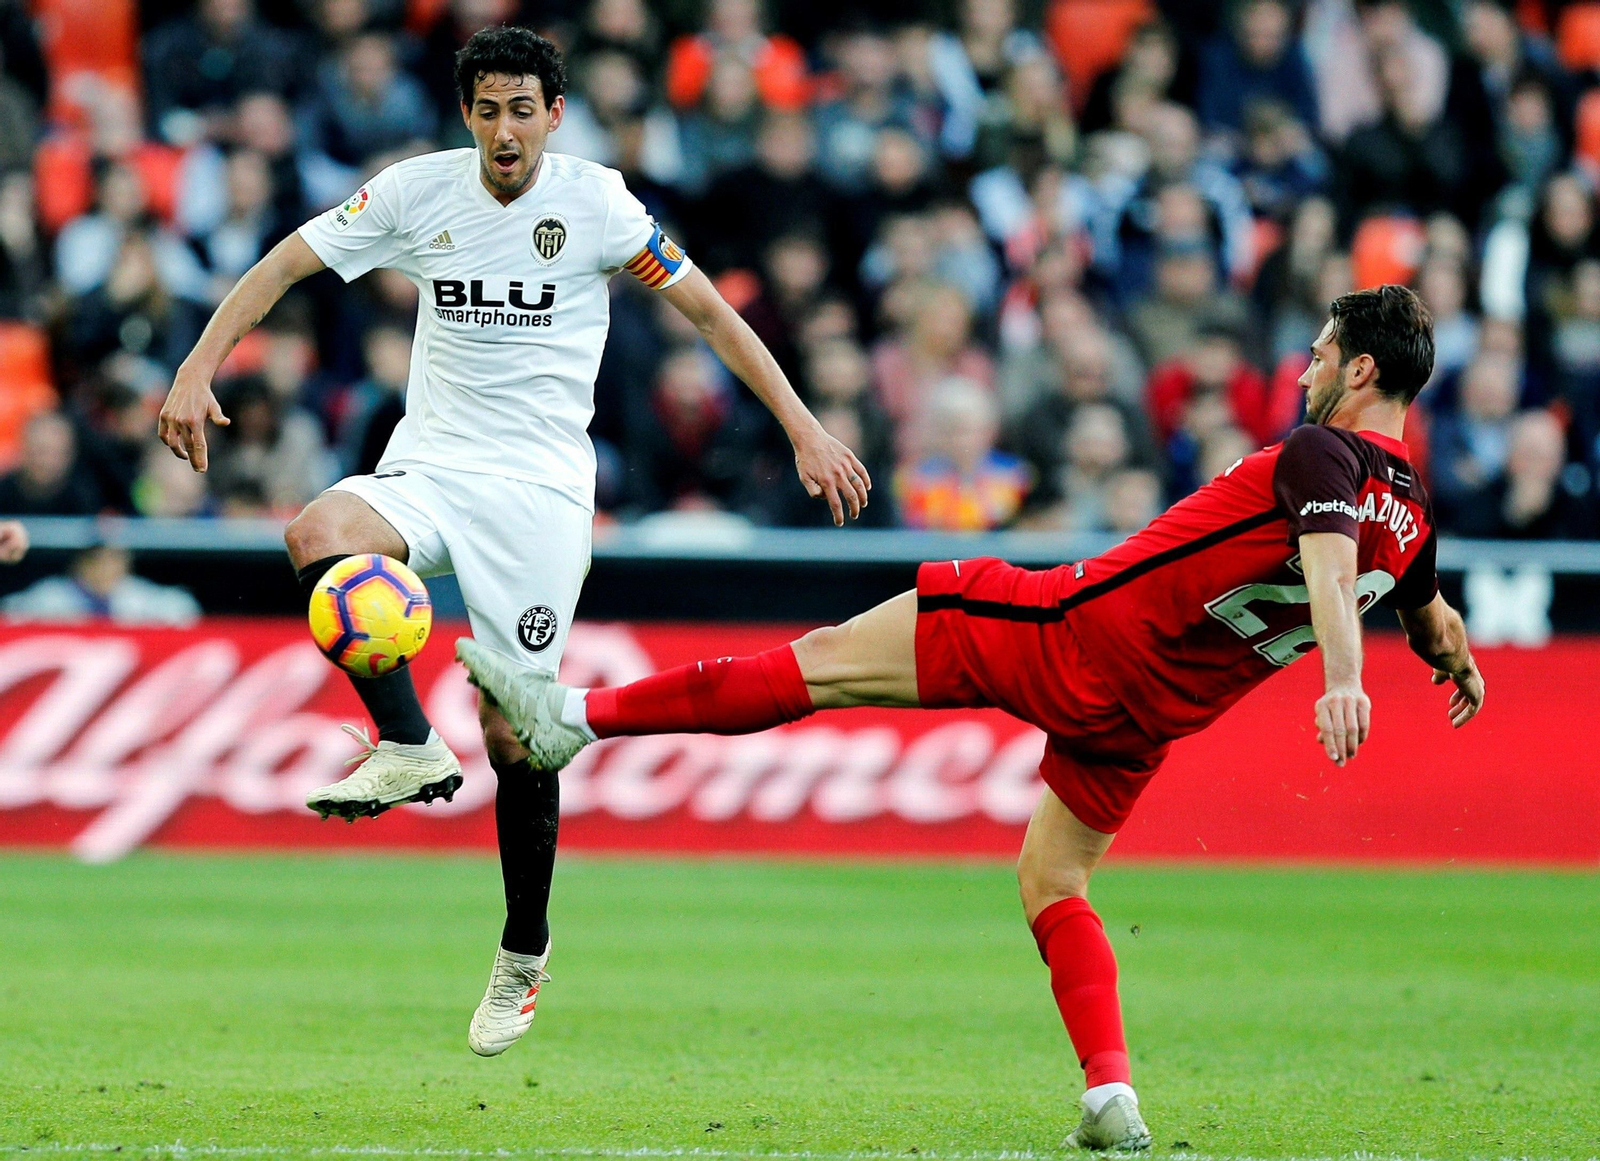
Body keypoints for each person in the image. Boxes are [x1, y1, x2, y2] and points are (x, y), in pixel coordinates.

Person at [457, 285, 1486, 1151]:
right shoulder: (1418, 518)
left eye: (1317, 354)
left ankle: (572, 721)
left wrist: (1340, 679)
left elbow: (1326, 563)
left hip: (1068, 633)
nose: (1303, 369)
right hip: (1148, 715)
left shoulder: (1319, 456)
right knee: (1055, 881)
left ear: (1357, 373)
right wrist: (1461, 667)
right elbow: (1430, 616)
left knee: (816, 667)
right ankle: (1108, 1092)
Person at [155, 27, 869, 1060]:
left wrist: (802, 425)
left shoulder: (598, 203)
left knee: (517, 735)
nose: (503, 129)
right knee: (320, 531)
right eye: (486, 109)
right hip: (434, 466)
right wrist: (195, 367)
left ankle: (523, 952)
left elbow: (711, 313)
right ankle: (404, 743)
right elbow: (284, 263)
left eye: (521, 110)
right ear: (465, 114)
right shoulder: (414, 192)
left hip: (537, 496)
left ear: (553, 116)